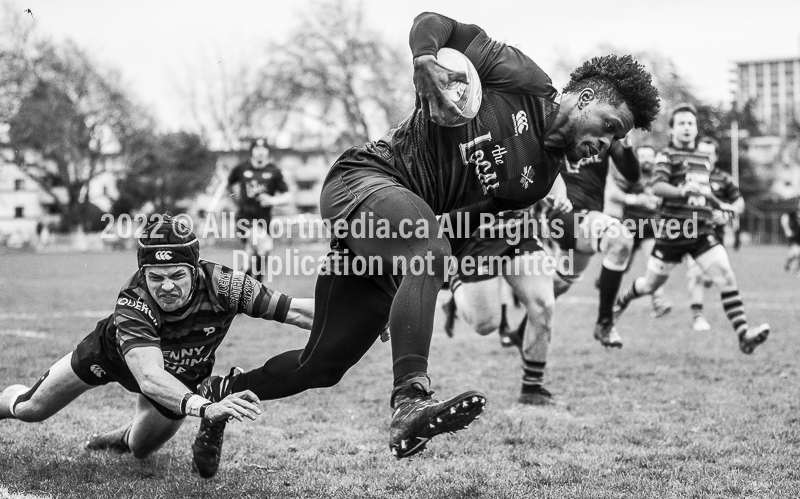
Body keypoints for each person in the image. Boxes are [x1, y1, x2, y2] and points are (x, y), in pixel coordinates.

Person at [193, 11, 660, 468]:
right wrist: (425, 60)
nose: (608, 144)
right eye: (610, 127)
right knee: (426, 246)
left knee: (321, 365)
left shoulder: (538, 181)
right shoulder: (524, 79)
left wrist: (407, 297)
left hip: (402, 237)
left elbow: (459, 230)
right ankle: (410, 402)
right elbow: (435, 22)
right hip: (364, 181)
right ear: (584, 98)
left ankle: (217, 396)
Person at [0, 215, 314, 479]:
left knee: (140, 448)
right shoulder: (134, 300)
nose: (166, 287)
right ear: (142, 273)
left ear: (195, 269)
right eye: (155, 277)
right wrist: (205, 408)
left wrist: (356, 323)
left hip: (179, 375)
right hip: (114, 357)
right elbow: (149, 377)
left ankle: (118, 436)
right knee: (32, 409)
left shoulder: (227, 285)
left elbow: (297, 311)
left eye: (177, 275)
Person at [614, 103, 770, 354]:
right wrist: (680, 191)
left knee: (726, 276)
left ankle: (744, 333)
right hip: (673, 233)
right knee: (649, 286)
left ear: (696, 129)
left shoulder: (701, 159)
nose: (687, 127)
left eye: (691, 123)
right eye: (682, 123)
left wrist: (722, 205)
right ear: (673, 130)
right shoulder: (667, 156)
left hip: (701, 232)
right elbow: (657, 187)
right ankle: (620, 303)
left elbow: (702, 191)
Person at [444, 183, 572, 406]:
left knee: (544, 304)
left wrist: (560, 196)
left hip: (518, 229)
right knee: (485, 325)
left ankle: (532, 388)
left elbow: (556, 166)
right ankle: (456, 282)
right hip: (476, 235)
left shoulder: (535, 146)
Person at [547, 136, 641, 348]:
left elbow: (633, 176)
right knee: (620, 239)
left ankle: (523, 329)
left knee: (557, 285)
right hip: (563, 216)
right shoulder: (560, 122)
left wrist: (626, 146)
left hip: (588, 221)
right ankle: (605, 323)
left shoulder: (607, 135)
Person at [210, 138, 292, 282]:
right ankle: (256, 288)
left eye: (263, 149)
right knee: (265, 246)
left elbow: (288, 195)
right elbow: (226, 184)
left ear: (267, 152)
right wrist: (223, 202)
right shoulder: (242, 168)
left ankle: (242, 285)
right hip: (245, 219)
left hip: (264, 221)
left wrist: (273, 200)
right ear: (252, 151)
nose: (260, 152)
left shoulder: (274, 171)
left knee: (255, 256)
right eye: (257, 148)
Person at [685, 137, 745, 331]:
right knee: (695, 273)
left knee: (716, 277)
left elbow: (739, 204)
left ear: (716, 157)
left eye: (709, 154)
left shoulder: (724, 179)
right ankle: (698, 317)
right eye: (701, 153)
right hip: (690, 232)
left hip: (715, 237)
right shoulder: (687, 175)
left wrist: (726, 214)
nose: (705, 157)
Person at [605, 144, 672, 318]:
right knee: (620, 267)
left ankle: (658, 302)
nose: (646, 160)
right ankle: (605, 291)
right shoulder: (630, 174)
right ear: (636, 158)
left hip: (650, 229)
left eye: (649, 156)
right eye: (642, 156)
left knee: (654, 264)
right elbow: (612, 193)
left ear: (655, 157)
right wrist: (635, 199)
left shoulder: (660, 177)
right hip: (630, 228)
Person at [780, 199, 800, 276]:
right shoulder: (793, 214)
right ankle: (788, 263)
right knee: (795, 253)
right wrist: (787, 230)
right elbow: (784, 218)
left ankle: (796, 271)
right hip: (794, 237)